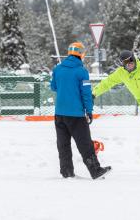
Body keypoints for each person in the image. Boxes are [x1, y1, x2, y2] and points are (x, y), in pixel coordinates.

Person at [50, 42, 111, 179]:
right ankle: (95, 171)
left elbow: (53, 87)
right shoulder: (81, 71)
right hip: (76, 115)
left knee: (63, 144)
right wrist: (89, 111)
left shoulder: (57, 69)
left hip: (59, 114)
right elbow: (86, 94)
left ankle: (66, 172)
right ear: (81, 54)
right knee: (85, 143)